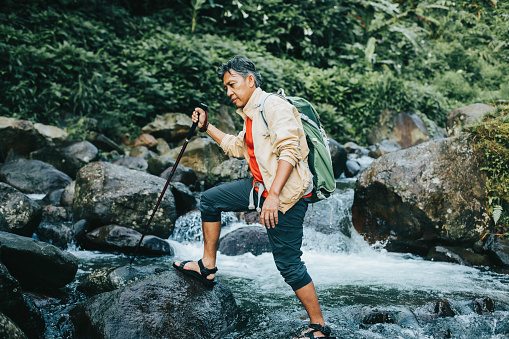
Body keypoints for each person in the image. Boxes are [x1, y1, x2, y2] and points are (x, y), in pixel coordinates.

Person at [173, 55, 335, 339]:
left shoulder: (273, 106)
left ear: (250, 80)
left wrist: (272, 197)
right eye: (225, 87)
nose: (229, 92)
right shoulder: (251, 113)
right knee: (210, 200)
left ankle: (319, 325)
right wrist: (206, 127)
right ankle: (207, 266)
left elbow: (290, 151)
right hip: (264, 187)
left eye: (232, 84)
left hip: (287, 195)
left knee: (288, 264)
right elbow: (238, 147)